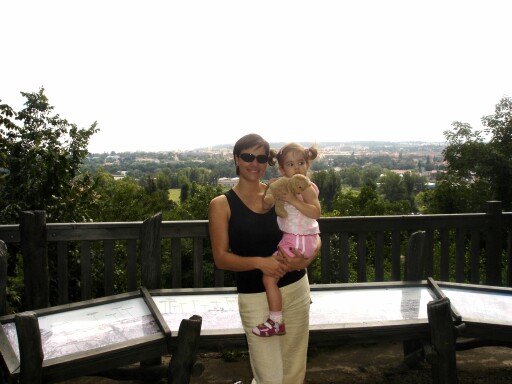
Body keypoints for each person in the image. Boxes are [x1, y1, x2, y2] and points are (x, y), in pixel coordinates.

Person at [208, 133, 320, 384]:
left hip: (295, 288)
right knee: (269, 377)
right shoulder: (222, 204)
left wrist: (306, 260)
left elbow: (311, 228)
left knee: (293, 373)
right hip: (255, 296)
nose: (254, 163)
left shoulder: (280, 190)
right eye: (248, 156)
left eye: (260, 157)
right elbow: (221, 258)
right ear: (236, 158)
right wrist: (261, 262)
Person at [252, 143, 321, 338]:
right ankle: (283, 314)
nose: (297, 167)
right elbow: (267, 203)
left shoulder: (306, 187)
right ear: (282, 169)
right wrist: (272, 191)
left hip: (299, 240)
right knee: (273, 276)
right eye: (291, 164)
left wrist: (293, 200)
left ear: (307, 165)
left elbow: (316, 212)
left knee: (269, 277)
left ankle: (275, 321)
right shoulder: (286, 186)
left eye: (301, 162)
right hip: (295, 239)